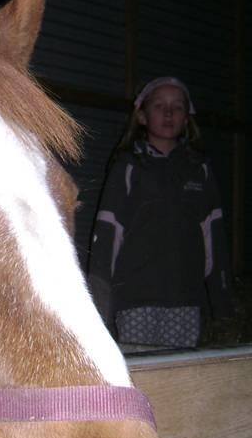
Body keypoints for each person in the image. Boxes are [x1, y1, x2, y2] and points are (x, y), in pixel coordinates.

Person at [88, 76, 234, 348]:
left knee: (179, 376)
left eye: (177, 107)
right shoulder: (129, 166)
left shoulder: (199, 170)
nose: (168, 113)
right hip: (135, 302)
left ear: (187, 118)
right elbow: (108, 234)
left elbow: (214, 240)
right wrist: (98, 303)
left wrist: (222, 304)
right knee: (145, 376)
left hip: (185, 301)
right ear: (142, 116)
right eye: (159, 106)